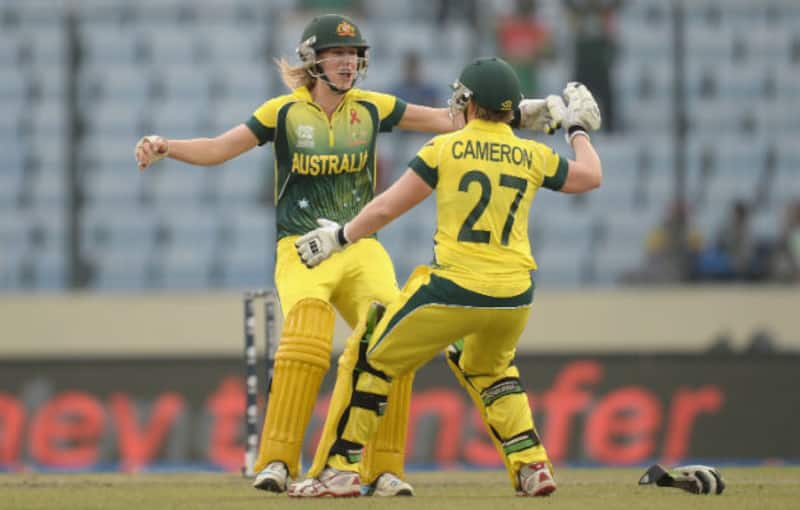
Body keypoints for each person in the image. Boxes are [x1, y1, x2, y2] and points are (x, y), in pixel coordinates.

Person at [134, 15, 563, 497]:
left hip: (357, 246)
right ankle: (277, 462)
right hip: (301, 247)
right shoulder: (283, 113)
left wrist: (522, 109)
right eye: (336, 54)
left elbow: (456, 120)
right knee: (308, 336)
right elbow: (218, 148)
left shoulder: (372, 107)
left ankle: (382, 469)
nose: (347, 62)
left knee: (389, 333)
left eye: (354, 54)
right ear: (311, 60)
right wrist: (167, 146)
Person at [290, 59, 603, 497]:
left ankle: (340, 468)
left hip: (454, 287)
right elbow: (591, 176)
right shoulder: (533, 153)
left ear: (471, 103)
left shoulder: (446, 148)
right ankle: (532, 465)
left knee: (371, 353)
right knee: (490, 370)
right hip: (514, 296)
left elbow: (386, 208)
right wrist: (577, 130)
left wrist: (339, 237)